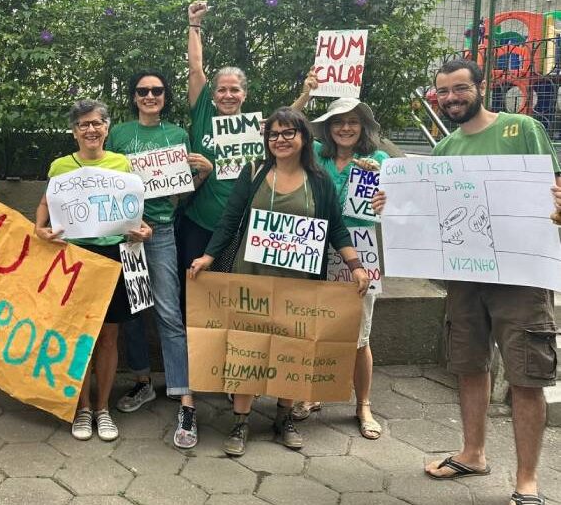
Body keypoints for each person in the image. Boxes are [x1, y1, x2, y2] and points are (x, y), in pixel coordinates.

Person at [373, 59, 561, 505]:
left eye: (460, 89)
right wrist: (392, 205)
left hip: (521, 276)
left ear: (481, 86)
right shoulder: (446, 149)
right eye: (443, 92)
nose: (452, 98)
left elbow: (551, 188)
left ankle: (527, 481)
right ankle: (473, 452)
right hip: (464, 277)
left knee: (525, 375)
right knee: (469, 365)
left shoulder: (522, 128)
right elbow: (428, 214)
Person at [188, 107, 368, 457]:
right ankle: (240, 420)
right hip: (251, 277)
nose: (280, 140)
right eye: (273, 134)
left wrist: (356, 265)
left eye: (288, 133)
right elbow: (230, 219)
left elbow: (336, 228)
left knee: (294, 346)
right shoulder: (254, 171)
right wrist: (208, 257)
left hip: (300, 281)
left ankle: (284, 417)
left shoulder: (319, 181)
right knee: (247, 343)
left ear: (303, 138)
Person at [35, 99, 153, 442]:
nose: (91, 130)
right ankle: (82, 408)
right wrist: (38, 228)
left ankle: (103, 409)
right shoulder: (59, 167)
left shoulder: (122, 164)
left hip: (114, 258)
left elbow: (133, 209)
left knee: (108, 336)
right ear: (74, 132)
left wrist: (145, 230)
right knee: (77, 336)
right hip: (74, 257)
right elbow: (46, 203)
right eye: (83, 125)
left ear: (107, 128)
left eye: (97, 124)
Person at [106, 70, 207, 448]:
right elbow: (107, 183)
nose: (150, 96)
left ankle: (185, 399)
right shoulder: (117, 135)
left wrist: (204, 176)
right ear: (134, 97)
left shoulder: (179, 136)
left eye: (157, 91)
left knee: (168, 313)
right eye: (143, 91)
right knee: (133, 313)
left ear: (165, 96)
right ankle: (143, 382)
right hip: (127, 234)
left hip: (162, 233)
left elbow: (182, 189)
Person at [289, 83, 388, 440]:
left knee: (359, 334)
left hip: (362, 250)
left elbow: (403, 205)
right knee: (314, 327)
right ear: (327, 128)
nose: (345, 128)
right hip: (314, 248)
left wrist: (387, 203)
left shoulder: (379, 162)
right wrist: (307, 93)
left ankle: (363, 404)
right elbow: (286, 124)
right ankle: (313, 394)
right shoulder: (316, 155)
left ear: (363, 127)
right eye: (337, 122)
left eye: (352, 122)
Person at [178, 0, 249, 274]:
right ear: (213, 93)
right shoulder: (204, 114)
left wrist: (305, 95)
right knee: (192, 288)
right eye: (221, 90)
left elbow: (293, 132)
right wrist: (194, 24)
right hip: (198, 222)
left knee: (227, 294)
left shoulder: (254, 129)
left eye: (234, 90)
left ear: (245, 94)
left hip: (236, 227)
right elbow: (196, 69)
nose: (228, 95)